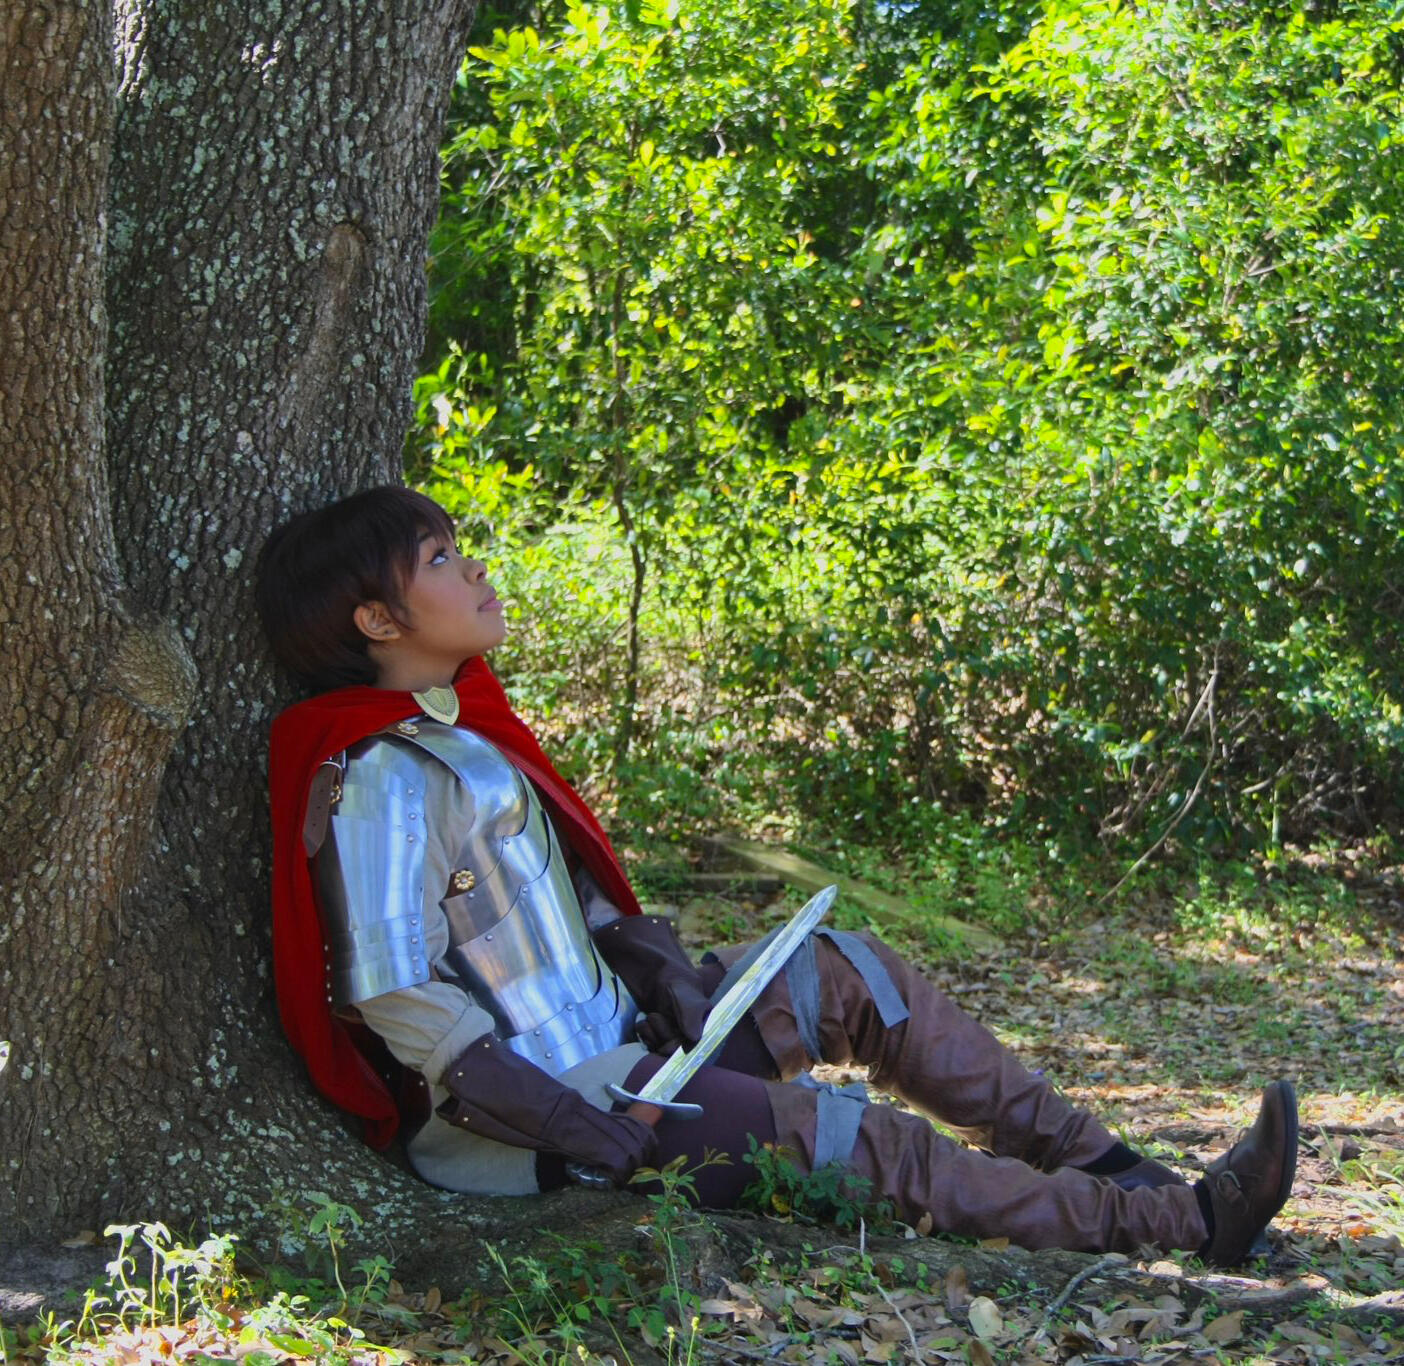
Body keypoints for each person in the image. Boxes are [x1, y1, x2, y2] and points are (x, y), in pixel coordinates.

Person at [256, 485, 1297, 1263]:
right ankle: (1186, 1221)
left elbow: (556, 905)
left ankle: (1117, 1165)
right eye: (441, 557)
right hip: (542, 1119)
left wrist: (655, 965)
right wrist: (574, 1122)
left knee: (850, 971)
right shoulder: (377, 775)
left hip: (626, 1050)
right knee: (856, 1140)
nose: (474, 569)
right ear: (378, 621)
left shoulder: (463, 733)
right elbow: (394, 987)